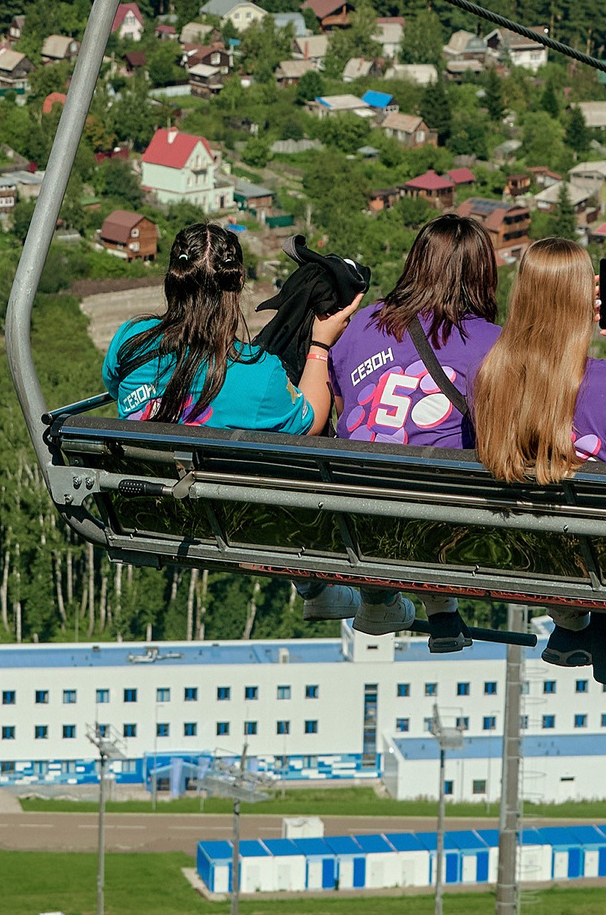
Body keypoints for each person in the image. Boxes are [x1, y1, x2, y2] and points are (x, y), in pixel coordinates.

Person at [468, 237, 606, 692]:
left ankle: (570, 622)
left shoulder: (488, 377)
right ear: (585, 303)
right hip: (601, 553)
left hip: (525, 546)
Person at [321, 215, 502, 645]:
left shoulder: (365, 323)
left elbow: (342, 409)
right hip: (436, 509)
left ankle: (383, 599)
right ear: (482, 275)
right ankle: (439, 603)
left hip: (355, 498)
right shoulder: (495, 343)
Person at [102, 223, 356, 432]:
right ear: (238, 282)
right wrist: (321, 343)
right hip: (211, 491)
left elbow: (115, 388)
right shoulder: (259, 373)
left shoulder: (129, 339)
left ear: (173, 278)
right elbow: (309, 422)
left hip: (137, 485)